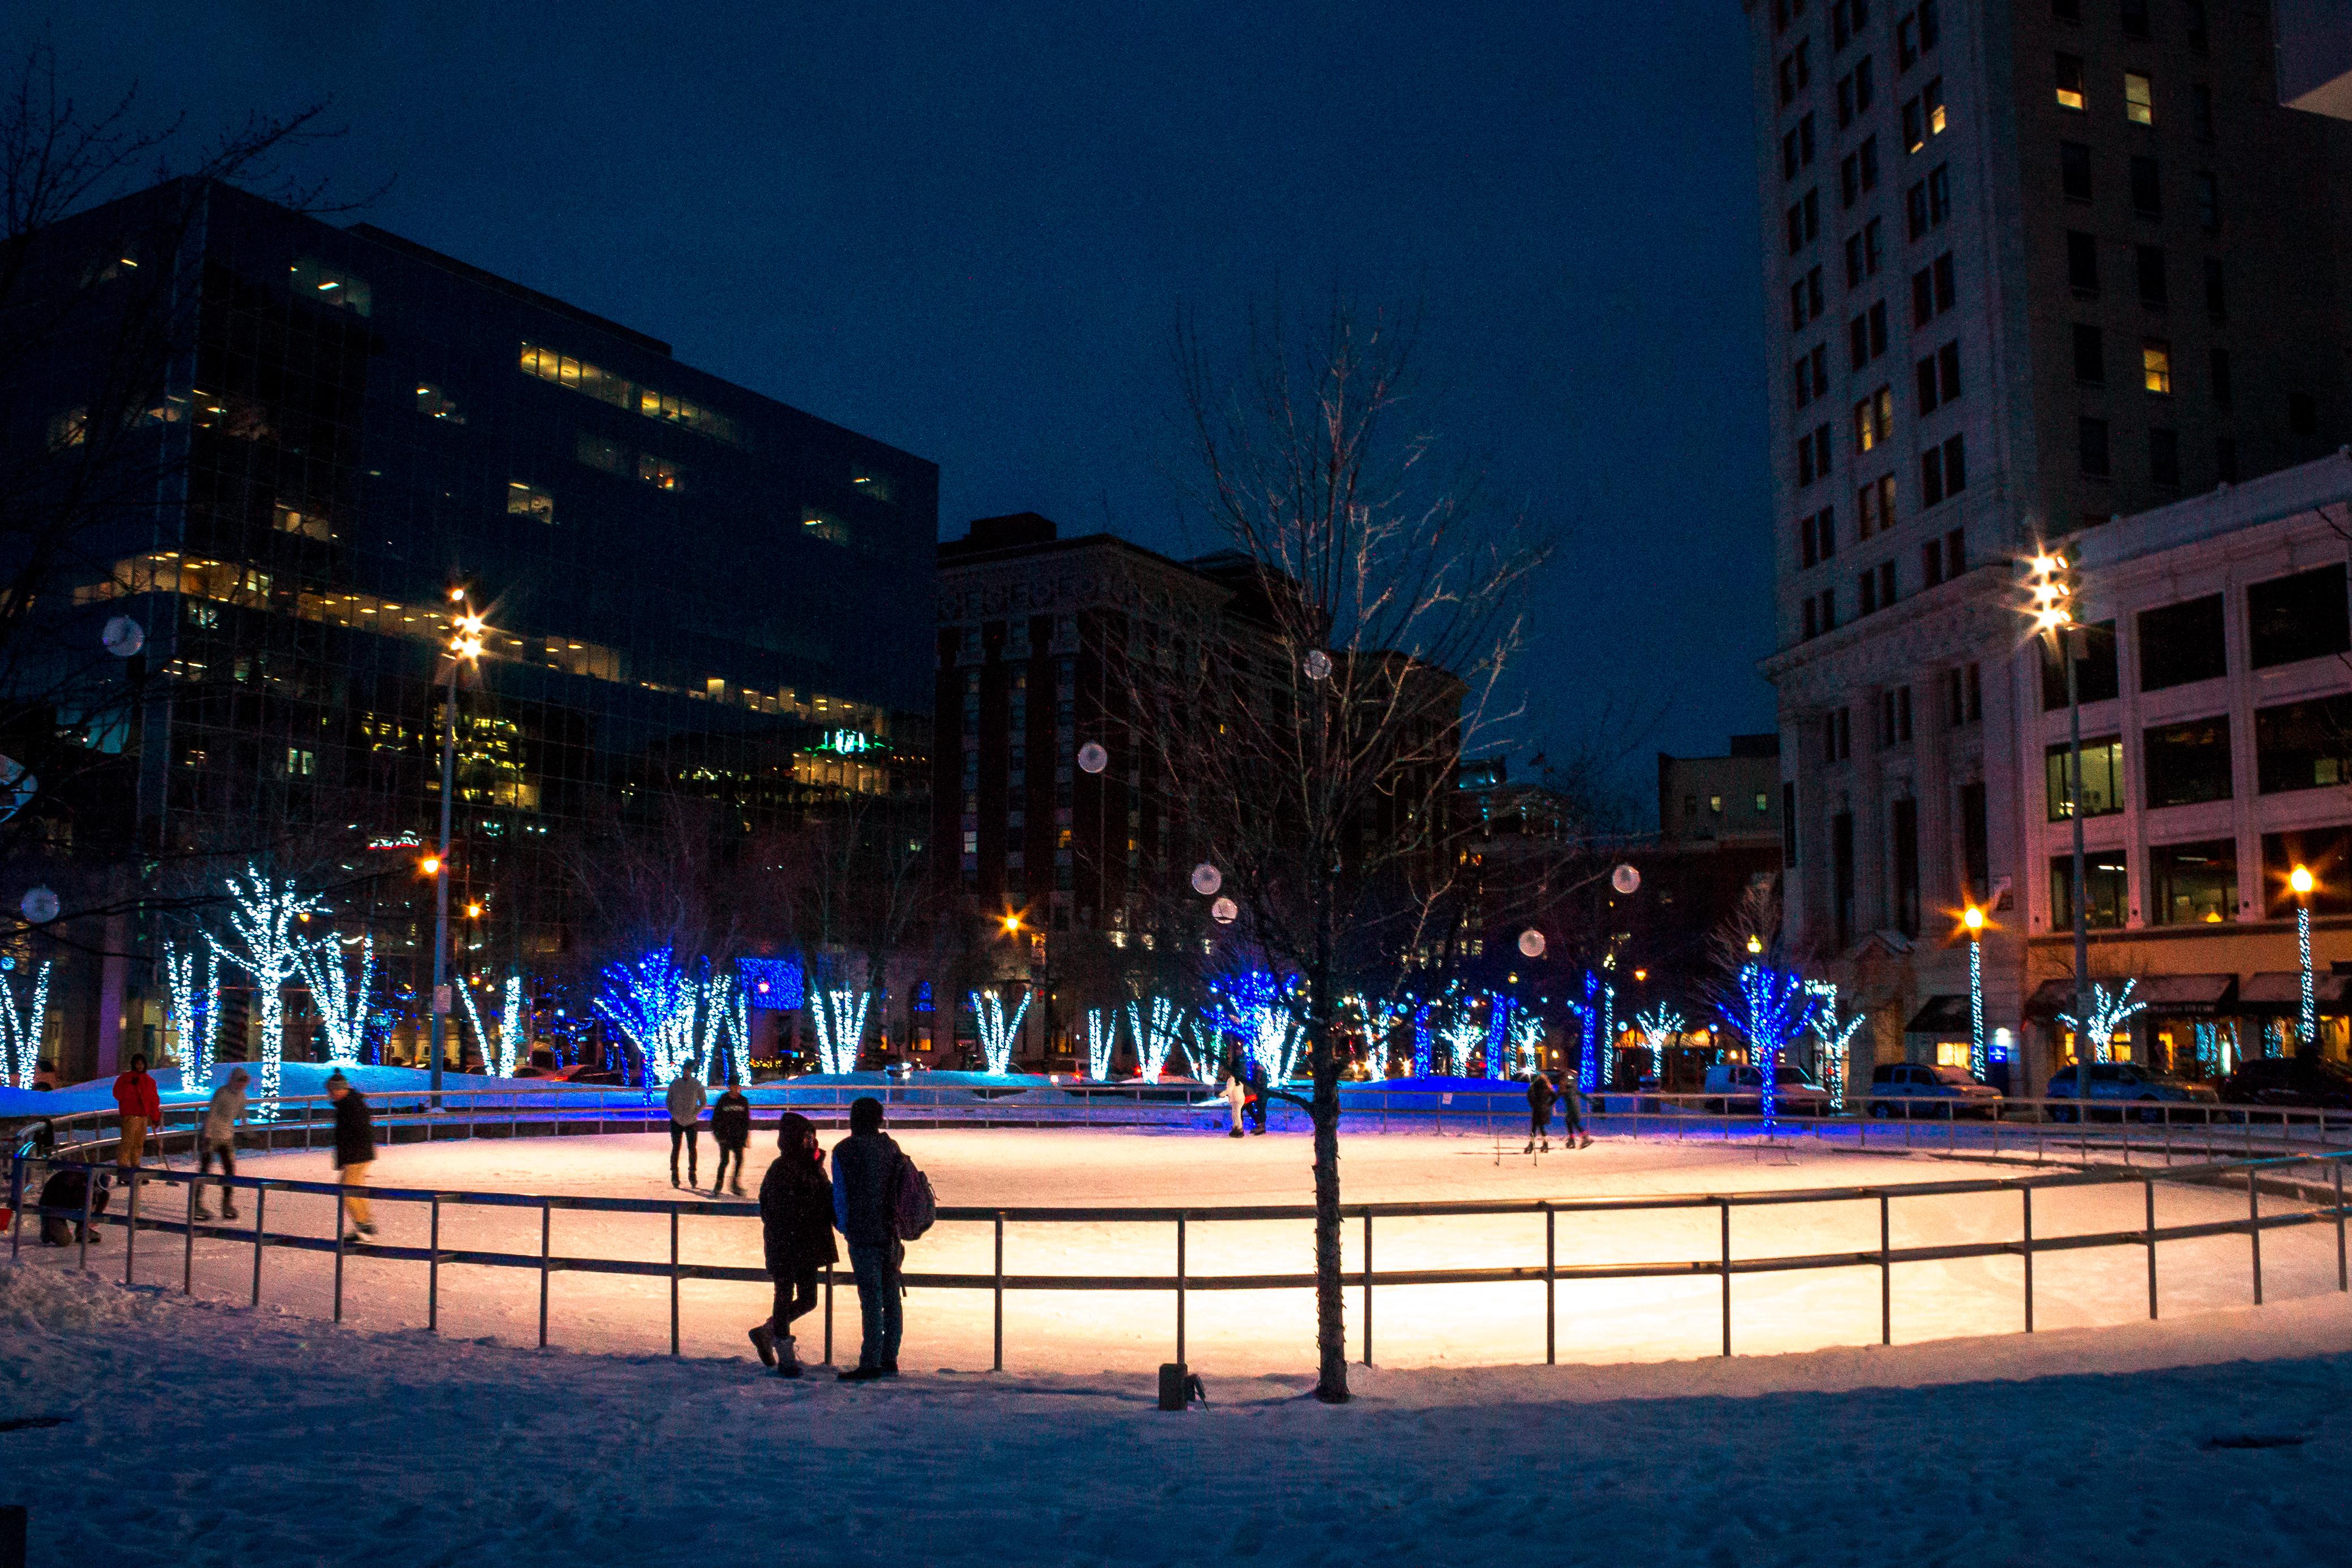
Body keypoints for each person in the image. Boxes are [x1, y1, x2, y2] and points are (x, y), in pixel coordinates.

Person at [750, 1111, 835, 1377]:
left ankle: (766, 1332)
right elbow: (774, 1208)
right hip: (786, 1243)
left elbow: (827, 1198)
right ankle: (785, 1358)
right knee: (784, 1295)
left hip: (808, 1243)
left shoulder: (814, 1167)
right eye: (806, 1137)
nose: (811, 1142)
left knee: (809, 1299)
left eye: (812, 1136)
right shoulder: (782, 1168)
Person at [830, 1095, 904, 1381]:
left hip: (862, 1233)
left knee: (871, 1298)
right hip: (890, 1233)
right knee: (891, 1296)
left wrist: (846, 1227)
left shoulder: (844, 1151)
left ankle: (870, 1362)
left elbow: (841, 1196)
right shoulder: (891, 1147)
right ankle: (889, 1357)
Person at [194, 1067, 251, 1220]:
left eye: (244, 1082)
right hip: (212, 1136)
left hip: (226, 1137)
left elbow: (242, 1113)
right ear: (233, 1080)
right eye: (239, 1081)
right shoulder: (222, 1093)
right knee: (205, 1170)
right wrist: (207, 1136)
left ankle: (227, 1204)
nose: (241, 1085)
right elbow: (211, 1114)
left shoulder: (241, 1096)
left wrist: (247, 1131)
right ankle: (196, 1204)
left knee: (229, 1171)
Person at [326, 1070, 377, 1241]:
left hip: (357, 1155)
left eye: (331, 1091)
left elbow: (354, 1133)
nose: (330, 1095)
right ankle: (365, 1223)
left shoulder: (350, 1106)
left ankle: (365, 1225)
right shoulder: (350, 1103)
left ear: (339, 1090)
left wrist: (349, 1157)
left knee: (347, 1189)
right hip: (359, 1154)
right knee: (354, 1188)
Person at [111, 1054, 162, 1169]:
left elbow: (154, 1100)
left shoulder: (149, 1081)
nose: (140, 1066)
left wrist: (155, 1117)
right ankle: (123, 1167)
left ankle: (136, 1165)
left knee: (139, 1143)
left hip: (143, 1117)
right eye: (137, 1063)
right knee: (127, 1142)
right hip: (130, 1116)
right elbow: (118, 1094)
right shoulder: (126, 1079)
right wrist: (130, 1087)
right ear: (133, 1064)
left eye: (142, 1063)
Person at [665, 1066, 707, 1189]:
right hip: (677, 1121)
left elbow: (704, 1101)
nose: (686, 1072)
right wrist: (674, 1113)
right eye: (685, 1070)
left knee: (692, 1148)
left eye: (688, 1070)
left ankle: (692, 1173)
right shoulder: (675, 1083)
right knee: (676, 1148)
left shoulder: (696, 1084)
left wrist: (695, 1113)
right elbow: (669, 1100)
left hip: (691, 1122)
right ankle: (674, 1174)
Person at [710, 1075, 752, 1196]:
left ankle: (735, 1183)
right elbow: (716, 1119)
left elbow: (746, 1120)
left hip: (738, 1136)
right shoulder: (723, 1100)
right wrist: (718, 1134)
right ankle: (719, 1183)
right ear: (730, 1087)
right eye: (733, 1086)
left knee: (739, 1159)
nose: (735, 1089)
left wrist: (746, 1136)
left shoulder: (743, 1101)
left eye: (737, 1086)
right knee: (725, 1161)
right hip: (725, 1136)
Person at [1552, 1070, 1592, 1150]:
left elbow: (1558, 1094)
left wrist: (1549, 1102)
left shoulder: (1567, 1084)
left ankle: (1584, 1138)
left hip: (1573, 1106)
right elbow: (1578, 1092)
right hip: (1573, 1106)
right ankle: (1572, 1139)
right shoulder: (1571, 1082)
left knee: (1574, 1122)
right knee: (1569, 1121)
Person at [1525, 1070, 1556, 1154]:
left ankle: (1531, 1145)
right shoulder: (1548, 1087)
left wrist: (1533, 1104)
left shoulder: (1535, 1085)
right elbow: (1555, 1096)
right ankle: (1545, 1144)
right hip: (1545, 1109)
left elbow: (1529, 1095)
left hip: (1537, 1108)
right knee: (1542, 1128)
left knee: (1534, 1128)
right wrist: (1549, 1104)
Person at [1222, 1058, 1246, 1138]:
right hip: (1240, 1098)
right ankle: (1237, 1128)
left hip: (1236, 1098)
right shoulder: (1239, 1079)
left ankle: (1238, 1129)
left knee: (1236, 1114)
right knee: (1236, 1114)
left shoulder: (1232, 1079)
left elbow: (1229, 1090)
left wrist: (1221, 1094)